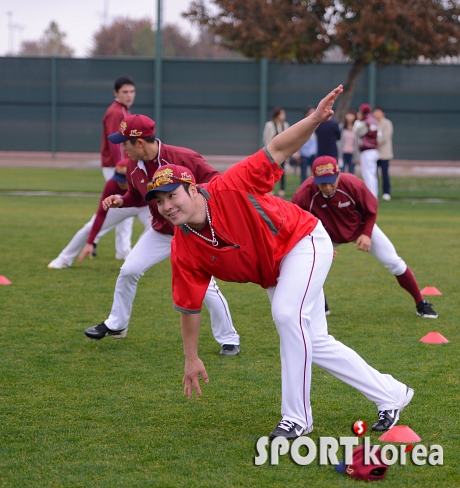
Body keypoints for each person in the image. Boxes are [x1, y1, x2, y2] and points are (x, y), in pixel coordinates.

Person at [146, 85, 414, 440]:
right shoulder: (183, 244)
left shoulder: (229, 186)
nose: (166, 206)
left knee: (287, 316)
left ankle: (297, 419)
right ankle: (391, 393)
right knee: (312, 341)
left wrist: (316, 119)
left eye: (172, 195)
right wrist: (191, 357)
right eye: (159, 201)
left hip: (302, 241)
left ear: (193, 189)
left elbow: (277, 148)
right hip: (276, 269)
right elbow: (189, 306)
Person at [84, 114, 240, 356]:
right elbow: (136, 196)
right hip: (160, 231)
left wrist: (199, 208)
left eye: (125, 142)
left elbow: (215, 181)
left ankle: (229, 339)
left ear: (139, 142)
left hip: (191, 233)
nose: (122, 148)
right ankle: (117, 324)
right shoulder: (134, 166)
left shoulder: (183, 157)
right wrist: (120, 201)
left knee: (206, 287)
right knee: (128, 270)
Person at [292, 156, 438, 319]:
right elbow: (299, 224)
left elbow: (371, 209)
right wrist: (317, 244)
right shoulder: (303, 194)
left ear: (339, 174)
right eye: (322, 182)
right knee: (311, 267)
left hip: (360, 227)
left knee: (394, 261)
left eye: (331, 181)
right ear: (313, 178)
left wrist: (367, 234)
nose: (327, 187)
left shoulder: (353, 184)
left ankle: (420, 303)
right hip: (326, 235)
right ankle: (320, 304)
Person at [47, 160, 151, 270]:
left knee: (154, 227)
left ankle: (135, 259)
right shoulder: (112, 184)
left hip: (146, 207)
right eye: (118, 178)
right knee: (89, 228)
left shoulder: (144, 181)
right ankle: (64, 259)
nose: (120, 183)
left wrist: (157, 214)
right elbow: (101, 214)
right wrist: (90, 242)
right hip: (123, 204)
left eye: (124, 179)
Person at [99, 76, 137, 260]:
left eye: (132, 91)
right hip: (116, 168)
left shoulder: (124, 110)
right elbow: (115, 143)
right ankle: (119, 249)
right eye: (125, 92)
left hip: (119, 166)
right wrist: (120, 168)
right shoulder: (116, 112)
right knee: (123, 207)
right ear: (116, 93)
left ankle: (122, 250)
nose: (129, 95)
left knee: (121, 207)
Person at [353, 103, 379, 198]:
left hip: (367, 150)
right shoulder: (374, 121)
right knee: (372, 174)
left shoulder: (365, 122)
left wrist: (358, 120)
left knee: (368, 174)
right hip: (373, 150)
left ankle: (371, 196)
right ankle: (374, 195)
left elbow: (356, 130)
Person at [263, 107, 289, 197]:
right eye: (282, 114)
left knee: (282, 171)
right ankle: (270, 189)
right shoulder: (269, 125)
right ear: (277, 115)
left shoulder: (285, 125)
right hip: (272, 153)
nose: (283, 116)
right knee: (271, 171)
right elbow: (266, 138)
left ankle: (282, 189)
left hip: (282, 152)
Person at [373, 106, 394, 201]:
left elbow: (386, 136)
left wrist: (376, 143)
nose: (376, 114)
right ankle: (374, 192)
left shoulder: (387, 123)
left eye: (378, 112)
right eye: (375, 112)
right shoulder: (372, 123)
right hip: (374, 153)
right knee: (374, 174)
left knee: (385, 174)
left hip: (384, 154)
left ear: (382, 113)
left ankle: (386, 193)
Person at [296, 106, 317, 183]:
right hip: (304, 153)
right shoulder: (302, 125)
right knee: (303, 174)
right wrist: (297, 153)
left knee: (315, 173)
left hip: (314, 153)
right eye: (311, 112)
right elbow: (297, 140)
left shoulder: (318, 124)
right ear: (306, 114)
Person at [338, 108, 359, 174]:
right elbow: (339, 141)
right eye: (348, 115)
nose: (350, 117)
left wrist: (357, 156)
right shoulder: (341, 127)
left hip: (352, 153)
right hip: (343, 153)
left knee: (352, 171)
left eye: (352, 115)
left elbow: (358, 143)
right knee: (341, 171)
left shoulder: (357, 128)